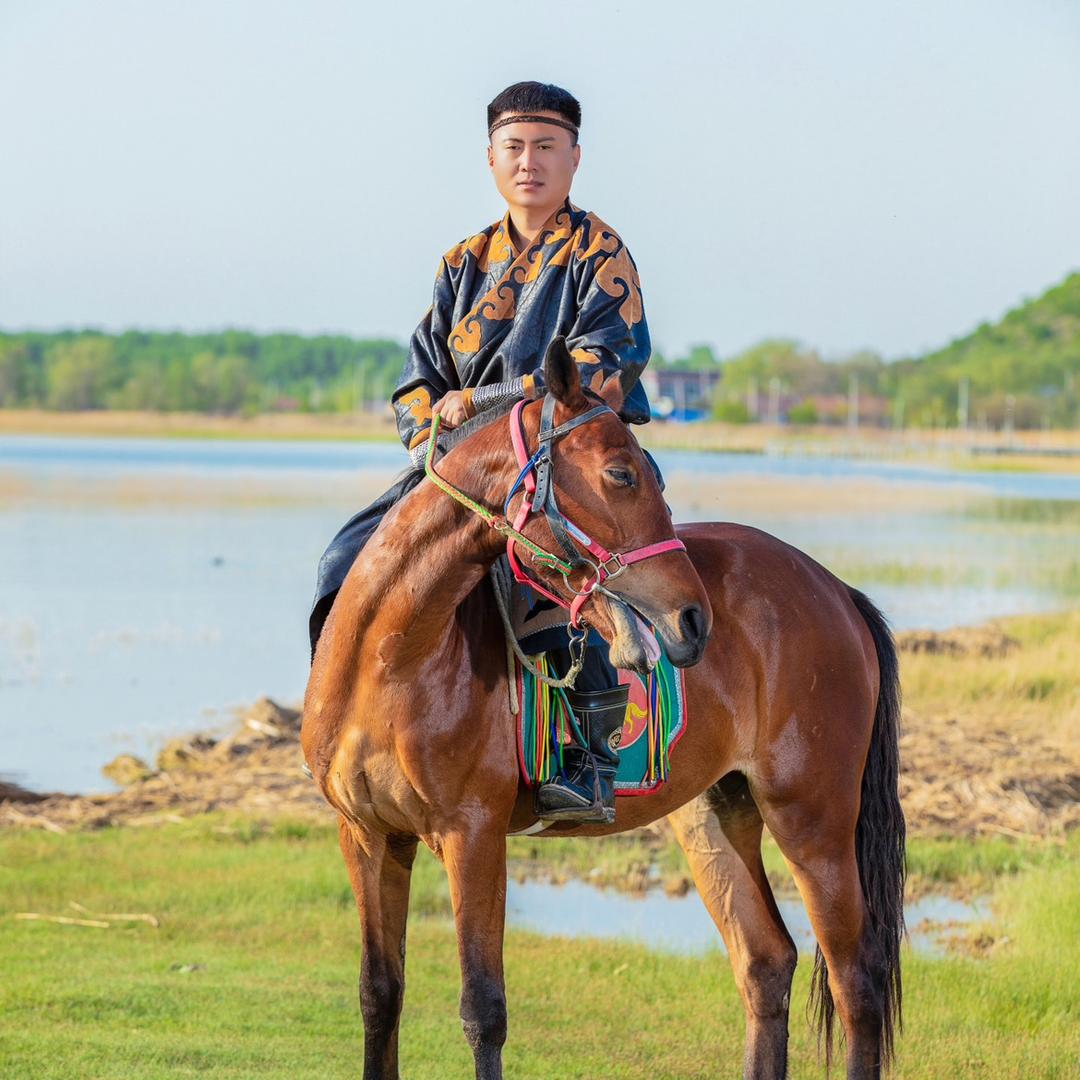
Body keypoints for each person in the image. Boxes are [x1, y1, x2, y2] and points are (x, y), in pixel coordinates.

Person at [310, 80, 657, 824]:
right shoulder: (462, 262)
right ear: (491, 159)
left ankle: (591, 760)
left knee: (572, 589)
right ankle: (342, 721)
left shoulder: (600, 253)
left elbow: (601, 369)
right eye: (514, 148)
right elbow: (417, 383)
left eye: (545, 147)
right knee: (342, 563)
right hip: (459, 476)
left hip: (563, 468)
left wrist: (491, 400)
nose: (529, 162)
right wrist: (435, 424)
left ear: (574, 159)